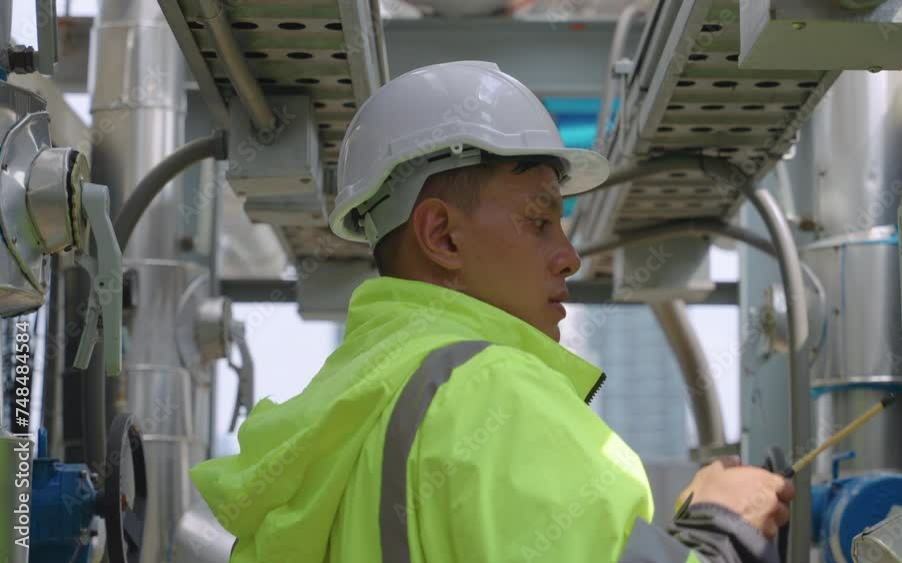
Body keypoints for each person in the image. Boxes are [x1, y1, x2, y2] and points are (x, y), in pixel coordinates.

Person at [190, 61, 793, 563]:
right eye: (538, 219)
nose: (570, 258)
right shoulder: (490, 390)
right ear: (442, 237)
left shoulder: (341, 417)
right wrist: (723, 527)